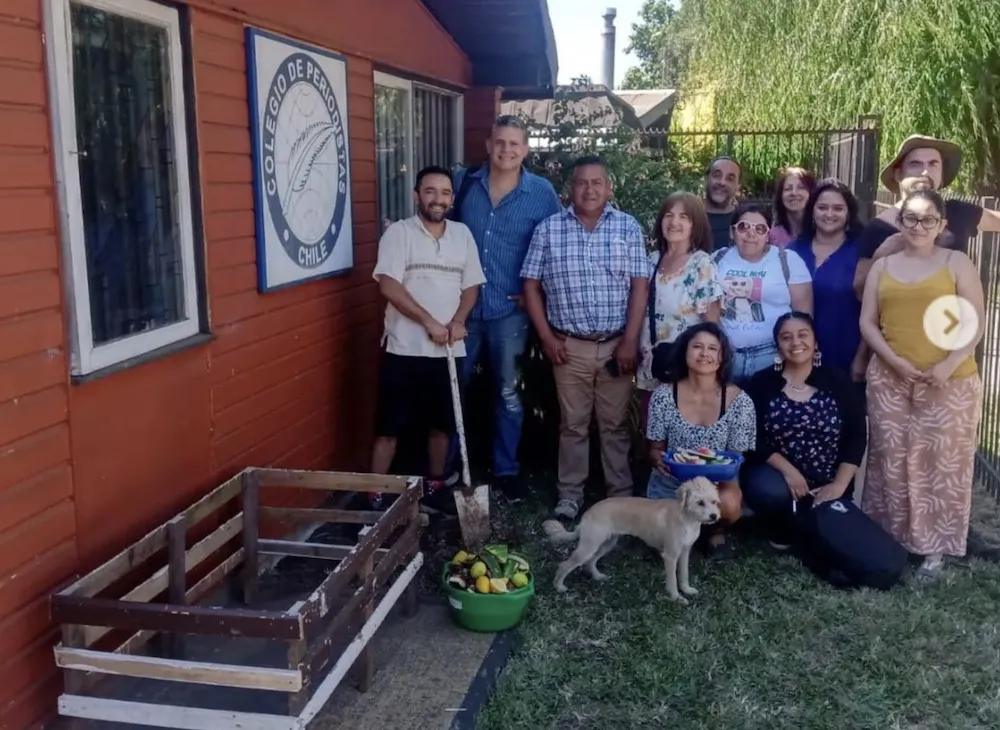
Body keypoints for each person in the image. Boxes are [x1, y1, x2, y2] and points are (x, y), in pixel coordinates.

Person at [860, 189, 985, 580]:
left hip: (949, 381)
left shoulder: (956, 262)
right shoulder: (884, 266)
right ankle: (894, 538)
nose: (919, 226)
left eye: (928, 219)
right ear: (900, 221)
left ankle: (934, 549)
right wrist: (893, 360)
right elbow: (868, 322)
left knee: (941, 464)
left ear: (942, 225)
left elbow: (974, 320)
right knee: (891, 460)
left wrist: (949, 365)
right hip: (890, 379)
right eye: (911, 218)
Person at [521, 155, 650, 522]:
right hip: (568, 347)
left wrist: (629, 340)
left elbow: (640, 286)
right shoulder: (548, 230)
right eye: (581, 182)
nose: (589, 189)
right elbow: (530, 285)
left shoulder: (627, 227)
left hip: (615, 346)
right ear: (569, 190)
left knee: (614, 425)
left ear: (609, 188)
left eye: (597, 182)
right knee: (572, 424)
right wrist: (546, 337)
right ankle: (570, 496)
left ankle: (620, 496)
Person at [447, 114, 563, 501]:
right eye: (500, 142)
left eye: (515, 144)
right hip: (460, 307)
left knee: (509, 393)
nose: (506, 150)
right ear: (488, 145)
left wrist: (539, 292)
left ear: (526, 149)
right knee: (452, 386)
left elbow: (557, 247)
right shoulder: (464, 183)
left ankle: (506, 469)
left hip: (510, 312)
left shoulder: (541, 193)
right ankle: (448, 465)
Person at [368, 166, 487, 514]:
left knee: (442, 426)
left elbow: (471, 286)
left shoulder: (462, 235)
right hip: (404, 348)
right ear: (417, 195)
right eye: (431, 191)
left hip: (449, 350)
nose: (438, 199)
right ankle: (374, 494)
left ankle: (434, 488)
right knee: (389, 426)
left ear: (452, 198)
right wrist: (430, 322)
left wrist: (458, 321)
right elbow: (388, 284)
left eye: (445, 192)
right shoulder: (399, 234)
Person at [742, 312, 868, 549]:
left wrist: (839, 484)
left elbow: (856, 435)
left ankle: (810, 518)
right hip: (778, 476)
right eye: (786, 337)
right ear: (778, 345)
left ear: (815, 341)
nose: (795, 343)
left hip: (828, 476)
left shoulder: (837, 381)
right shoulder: (761, 383)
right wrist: (789, 471)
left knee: (833, 537)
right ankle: (780, 524)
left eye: (803, 335)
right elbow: (750, 436)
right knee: (770, 492)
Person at [645, 322, 756, 559]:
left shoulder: (740, 400)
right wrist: (658, 460)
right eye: (697, 347)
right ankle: (679, 532)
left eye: (712, 348)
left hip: (718, 482)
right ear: (685, 352)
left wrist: (714, 473)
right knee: (661, 538)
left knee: (728, 503)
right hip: (673, 479)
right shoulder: (664, 395)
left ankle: (713, 533)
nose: (704, 353)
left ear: (721, 357)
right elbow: (655, 448)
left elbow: (737, 456)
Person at [855, 134, 1000, 296]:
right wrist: (879, 258)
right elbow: (858, 288)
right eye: (915, 164)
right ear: (898, 174)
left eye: (933, 164)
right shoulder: (878, 228)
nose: (925, 171)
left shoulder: (958, 212)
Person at [636, 192, 723, 427]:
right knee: (653, 433)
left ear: (695, 224)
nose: (674, 222)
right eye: (669, 215)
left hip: (686, 368)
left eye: (684, 217)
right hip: (652, 363)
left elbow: (711, 325)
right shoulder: (651, 259)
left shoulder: (701, 263)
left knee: (682, 433)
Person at [714, 203, 813, 385]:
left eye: (760, 229)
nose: (751, 234)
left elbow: (804, 317)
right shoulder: (717, 259)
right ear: (732, 232)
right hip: (726, 356)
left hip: (772, 356)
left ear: (768, 234)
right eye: (743, 227)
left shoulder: (788, 260)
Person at [788, 179, 866, 383]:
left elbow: (874, 309)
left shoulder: (861, 253)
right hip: (794, 355)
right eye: (822, 207)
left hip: (845, 357)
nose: (829, 214)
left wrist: (862, 357)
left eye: (838, 208)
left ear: (849, 213)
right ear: (812, 211)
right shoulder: (792, 251)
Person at [769, 166, 816, 247]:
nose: (794, 193)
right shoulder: (772, 237)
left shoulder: (820, 232)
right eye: (788, 189)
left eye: (801, 187)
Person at [704, 156, 742, 251]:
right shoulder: (688, 217)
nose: (722, 182)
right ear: (707, 179)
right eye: (717, 175)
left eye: (730, 179)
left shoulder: (743, 223)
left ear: (738, 186)